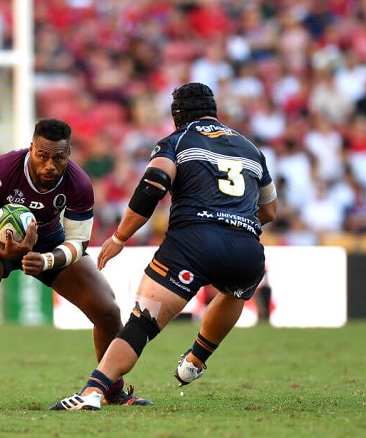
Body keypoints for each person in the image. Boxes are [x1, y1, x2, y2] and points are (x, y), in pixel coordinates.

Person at [50, 83, 278, 411]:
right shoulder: (250, 148)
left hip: (193, 242)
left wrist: (119, 238)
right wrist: (234, 219)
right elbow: (269, 211)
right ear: (214, 111)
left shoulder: (179, 140)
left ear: (177, 116)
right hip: (247, 248)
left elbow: (152, 188)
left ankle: (93, 392)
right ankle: (195, 361)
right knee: (236, 291)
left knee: (143, 322)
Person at [0, 118, 151, 406]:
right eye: (43, 156)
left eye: (59, 158)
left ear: (69, 154)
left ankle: (111, 388)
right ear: (31, 149)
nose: (50, 165)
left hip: (49, 243)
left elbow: (78, 242)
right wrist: (4, 250)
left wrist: (47, 259)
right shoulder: (0, 172)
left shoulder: (79, 184)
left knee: (108, 309)